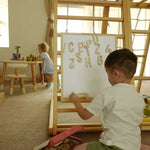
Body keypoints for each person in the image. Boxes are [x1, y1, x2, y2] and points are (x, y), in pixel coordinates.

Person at [69, 48, 150, 150]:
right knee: (102, 136)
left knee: (77, 148)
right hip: (133, 145)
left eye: (107, 73)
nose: (107, 77)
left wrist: (76, 102)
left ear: (116, 73)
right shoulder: (139, 98)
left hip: (113, 146)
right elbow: (138, 126)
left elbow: (85, 115)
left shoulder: (107, 93)